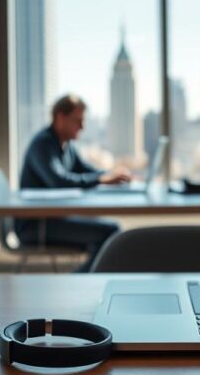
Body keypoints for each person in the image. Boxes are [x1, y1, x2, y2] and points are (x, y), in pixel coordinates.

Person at [16, 94, 130, 272]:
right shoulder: (43, 144)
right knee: (111, 232)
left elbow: (85, 170)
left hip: (56, 218)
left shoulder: (66, 145)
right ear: (60, 118)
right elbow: (59, 181)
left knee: (107, 232)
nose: (82, 127)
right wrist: (101, 179)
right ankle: (79, 281)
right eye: (78, 120)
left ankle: (88, 280)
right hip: (37, 226)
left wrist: (112, 175)